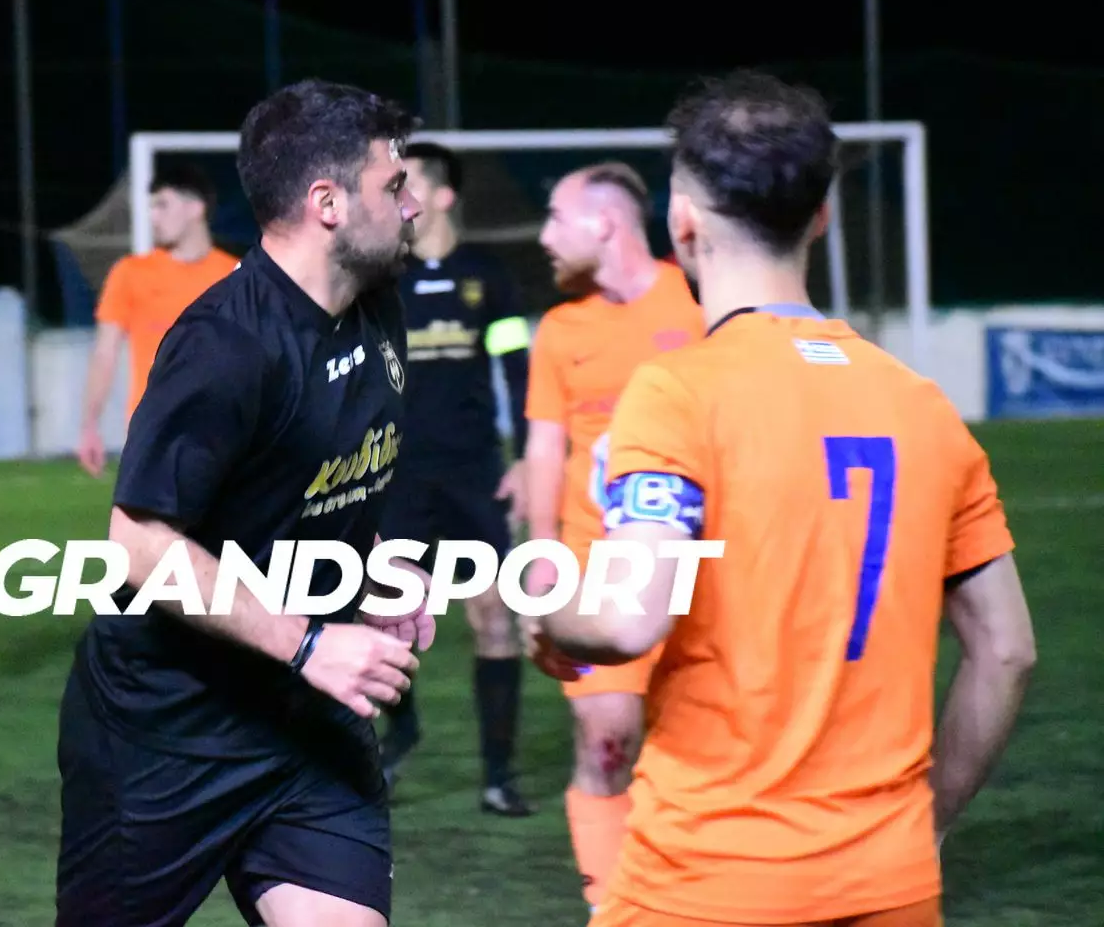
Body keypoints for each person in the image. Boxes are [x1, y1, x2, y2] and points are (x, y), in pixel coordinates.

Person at [538, 70, 1036, 927]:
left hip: (707, 881)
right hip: (889, 883)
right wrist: (925, 825)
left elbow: (624, 622)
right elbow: (1007, 650)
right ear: (822, 217)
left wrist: (546, 611)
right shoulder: (922, 403)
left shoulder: (678, 392)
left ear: (682, 223)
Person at [56, 79, 438, 927]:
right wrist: (308, 644)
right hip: (167, 733)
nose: (414, 205)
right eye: (394, 185)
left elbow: (319, 482)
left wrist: (380, 567)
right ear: (327, 203)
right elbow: (139, 544)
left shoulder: (377, 305)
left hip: (306, 725)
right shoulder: (225, 343)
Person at [521, 161, 705, 912]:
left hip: (698, 567)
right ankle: (610, 907)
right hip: (595, 567)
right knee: (606, 738)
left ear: (603, 223)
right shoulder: (561, 329)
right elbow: (543, 446)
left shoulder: (698, 302)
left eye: (556, 217)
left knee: (699, 749)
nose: (543, 236)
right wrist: (541, 559)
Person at [374, 141, 535, 816]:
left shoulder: (486, 277)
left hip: (473, 473)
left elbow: (517, 371)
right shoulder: (383, 277)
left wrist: (524, 456)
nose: (398, 198)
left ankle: (498, 776)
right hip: (398, 475)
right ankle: (401, 730)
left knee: (494, 618)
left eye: (407, 184)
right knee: (386, 617)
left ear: (442, 196)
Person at [76, 162, 240, 476]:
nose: (153, 217)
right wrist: (89, 425)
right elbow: (104, 353)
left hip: (221, 435)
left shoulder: (235, 276)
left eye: (162, 205)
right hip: (153, 435)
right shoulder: (130, 273)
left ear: (195, 209)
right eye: (151, 207)